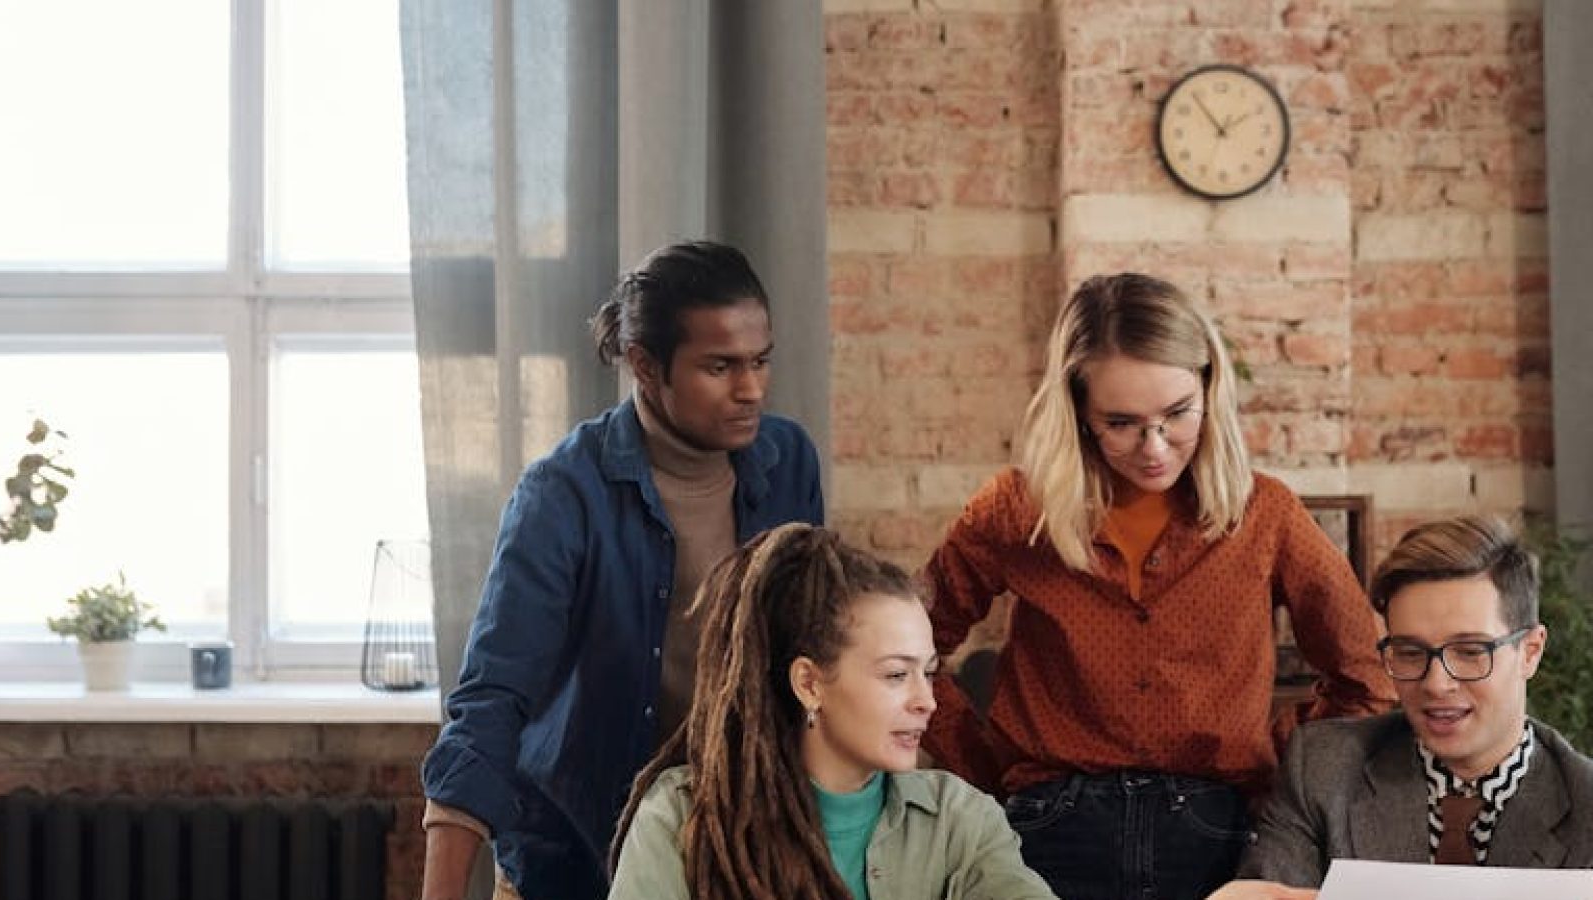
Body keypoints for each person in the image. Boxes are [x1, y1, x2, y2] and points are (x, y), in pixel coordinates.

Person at [922, 272, 1396, 900]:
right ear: (1078, 413)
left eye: (1176, 415)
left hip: (1215, 829)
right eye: (1120, 423)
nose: (1154, 448)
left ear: (1210, 387)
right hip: (1049, 826)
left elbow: (1368, 677)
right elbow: (907, 652)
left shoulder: (1267, 515)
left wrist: (1273, 754)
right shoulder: (1015, 511)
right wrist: (984, 772)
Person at [420, 241, 824, 900]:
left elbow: (807, 657)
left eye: (760, 361)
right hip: (576, 865)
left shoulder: (789, 464)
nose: (750, 388)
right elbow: (493, 699)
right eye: (719, 366)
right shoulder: (562, 494)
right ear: (644, 365)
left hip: (738, 863)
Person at [1215, 516, 1593, 900]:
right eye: (1410, 652)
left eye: (1470, 651)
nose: (1436, 684)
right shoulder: (1321, 769)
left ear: (1530, 652)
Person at [607, 524, 1054, 900]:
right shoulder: (681, 819)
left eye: (930, 672)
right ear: (809, 683)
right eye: (897, 675)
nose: (927, 700)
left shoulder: (961, 821)